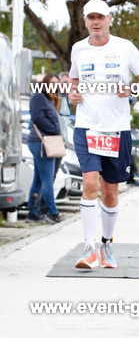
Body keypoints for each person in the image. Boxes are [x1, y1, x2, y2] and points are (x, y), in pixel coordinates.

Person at [69, 0, 139, 269]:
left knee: (110, 192)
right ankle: (88, 248)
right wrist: (72, 92)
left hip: (117, 130)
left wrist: (132, 91)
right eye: (91, 17)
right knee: (90, 184)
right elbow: (72, 80)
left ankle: (107, 245)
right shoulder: (78, 49)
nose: (96, 22)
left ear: (110, 18)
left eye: (101, 17)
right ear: (85, 21)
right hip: (86, 127)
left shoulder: (125, 47)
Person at [26, 73, 63, 224]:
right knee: (47, 179)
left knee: (39, 179)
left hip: (44, 142)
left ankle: (33, 212)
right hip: (41, 143)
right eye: (52, 82)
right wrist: (54, 129)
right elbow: (37, 118)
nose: (55, 86)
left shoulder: (49, 99)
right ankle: (52, 212)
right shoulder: (39, 97)